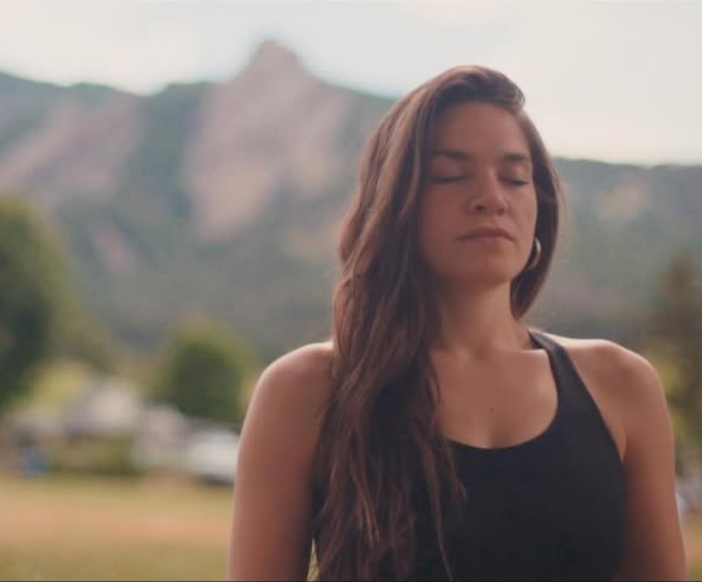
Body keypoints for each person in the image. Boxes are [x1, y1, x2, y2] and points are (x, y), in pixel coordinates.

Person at [226, 65, 688, 581]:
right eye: (449, 175)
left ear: (541, 208)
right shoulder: (308, 389)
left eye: (515, 177)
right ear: (395, 205)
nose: (491, 197)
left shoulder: (620, 384)